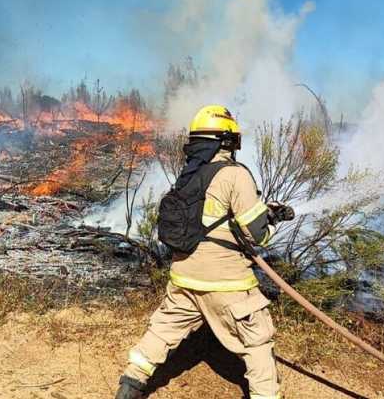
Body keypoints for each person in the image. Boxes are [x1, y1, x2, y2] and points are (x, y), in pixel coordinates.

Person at [115, 105, 292, 399]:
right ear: (228, 141)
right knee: (257, 342)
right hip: (228, 283)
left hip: (184, 277)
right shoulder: (235, 175)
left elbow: (209, 219)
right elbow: (257, 234)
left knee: (162, 332)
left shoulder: (188, 177)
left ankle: (129, 385)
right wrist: (274, 219)